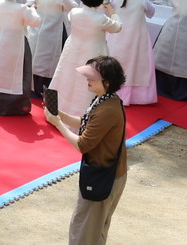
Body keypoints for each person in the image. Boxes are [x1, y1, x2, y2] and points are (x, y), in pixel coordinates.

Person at [48, 56, 129, 244]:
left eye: (92, 78)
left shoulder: (107, 109)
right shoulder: (105, 100)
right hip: (106, 174)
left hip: (104, 176)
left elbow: (83, 144)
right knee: (91, 230)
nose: (88, 80)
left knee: (85, 231)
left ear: (107, 82)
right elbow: (85, 122)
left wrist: (58, 124)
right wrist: (58, 114)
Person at [49, 0, 123, 119]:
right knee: (87, 83)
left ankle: (58, 109)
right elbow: (117, 27)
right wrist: (112, 11)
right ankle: (84, 115)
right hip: (92, 52)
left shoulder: (75, 12)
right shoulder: (100, 18)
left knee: (67, 76)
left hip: (73, 49)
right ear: (99, 2)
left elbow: (77, 13)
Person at [110, 0, 157, 106]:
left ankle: (111, 90)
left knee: (116, 61)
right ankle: (134, 96)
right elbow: (151, 13)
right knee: (135, 65)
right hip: (136, 37)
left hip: (117, 36)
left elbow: (111, 12)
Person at [30, 0, 77, 100]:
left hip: (38, 28)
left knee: (36, 56)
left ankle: (32, 84)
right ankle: (45, 88)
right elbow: (74, 7)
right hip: (52, 31)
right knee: (49, 60)